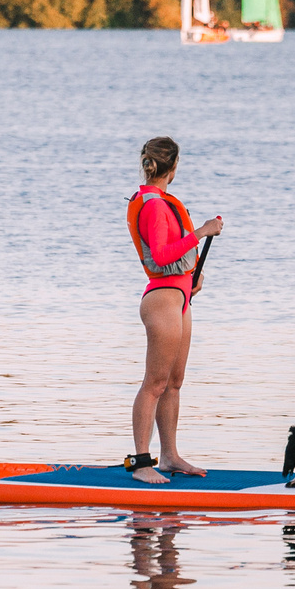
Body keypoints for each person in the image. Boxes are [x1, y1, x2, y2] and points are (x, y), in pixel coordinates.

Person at [127, 136, 224, 485]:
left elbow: (173, 259)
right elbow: (162, 254)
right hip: (161, 300)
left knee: (174, 383)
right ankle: (141, 463)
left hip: (179, 296)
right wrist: (201, 232)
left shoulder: (162, 201)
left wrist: (192, 278)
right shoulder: (153, 206)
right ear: (174, 165)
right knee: (154, 383)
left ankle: (169, 456)